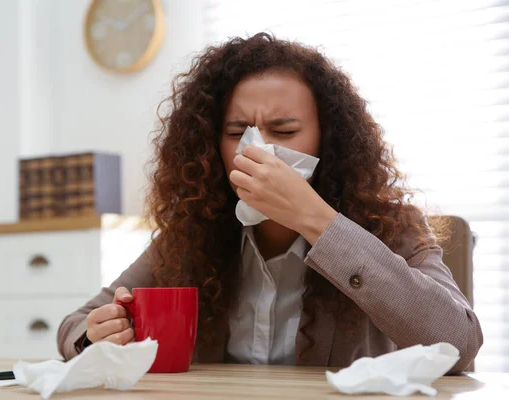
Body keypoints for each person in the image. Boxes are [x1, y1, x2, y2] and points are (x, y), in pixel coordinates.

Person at [57, 33, 482, 373]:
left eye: (284, 130)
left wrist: (315, 218)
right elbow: (76, 323)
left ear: (327, 138)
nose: (257, 149)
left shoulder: (390, 225)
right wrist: (96, 335)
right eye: (237, 130)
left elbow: (459, 345)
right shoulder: (193, 234)